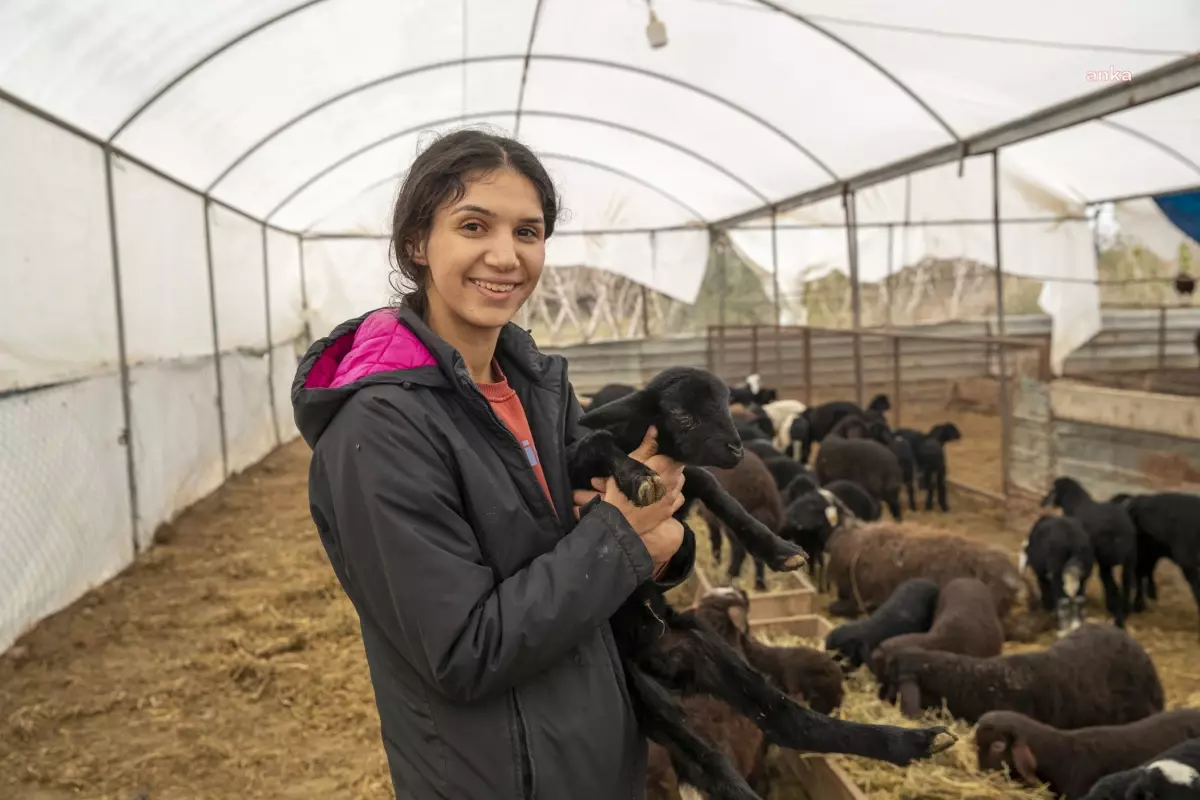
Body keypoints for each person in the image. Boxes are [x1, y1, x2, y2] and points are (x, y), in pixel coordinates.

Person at [291, 128, 695, 799]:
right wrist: (624, 534)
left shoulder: (537, 385)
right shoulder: (379, 430)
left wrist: (662, 545)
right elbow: (464, 647)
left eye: (528, 233)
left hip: (596, 746)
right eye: (474, 225)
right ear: (417, 243)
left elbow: (585, 551)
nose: (505, 256)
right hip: (498, 774)